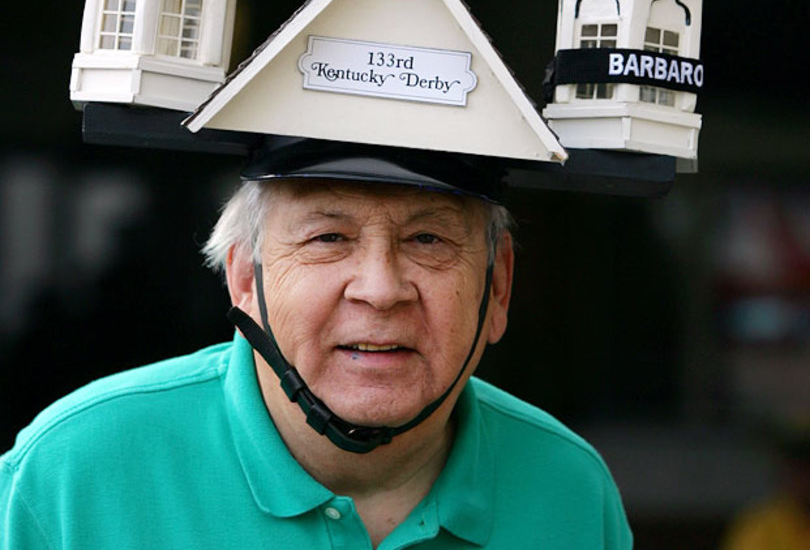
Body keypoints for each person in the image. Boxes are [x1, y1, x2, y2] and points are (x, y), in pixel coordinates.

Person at [0, 144, 631, 549]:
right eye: (329, 237)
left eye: (429, 241)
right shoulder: (72, 474)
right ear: (245, 279)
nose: (381, 291)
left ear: (497, 289)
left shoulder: (570, 490)